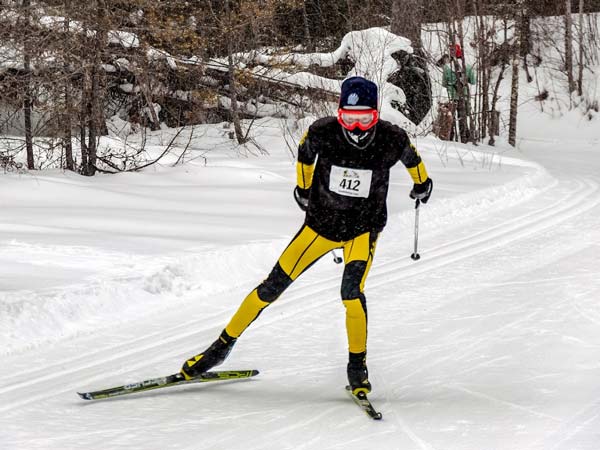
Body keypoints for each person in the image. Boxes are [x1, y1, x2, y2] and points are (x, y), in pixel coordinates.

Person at [180, 76, 433, 395]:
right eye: (350, 118)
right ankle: (218, 350)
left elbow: (413, 159)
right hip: (321, 225)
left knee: (351, 293)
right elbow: (304, 153)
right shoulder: (323, 132)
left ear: (376, 114)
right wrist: (302, 187)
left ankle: (357, 366)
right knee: (270, 288)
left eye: (365, 118)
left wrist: (422, 184)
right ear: (340, 114)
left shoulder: (391, 138)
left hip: (362, 228)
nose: (356, 128)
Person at [440, 44, 476, 142]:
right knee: (463, 119)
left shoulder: (447, 67)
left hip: (451, 97)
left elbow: (444, 83)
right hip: (463, 96)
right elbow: (473, 81)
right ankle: (465, 139)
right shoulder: (467, 66)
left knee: (450, 119)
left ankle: (449, 138)